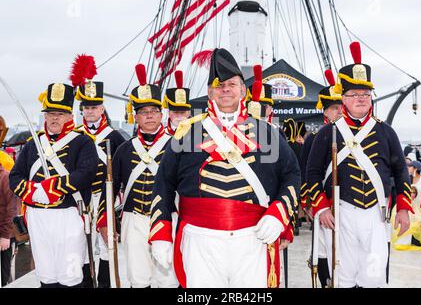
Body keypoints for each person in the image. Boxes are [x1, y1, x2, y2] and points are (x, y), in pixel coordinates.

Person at [149, 48, 300, 288]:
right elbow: (164, 184)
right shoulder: (186, 133)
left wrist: (279, 214)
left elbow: (292, 176)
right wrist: (161, 232)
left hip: (254, 238)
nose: (225, 89)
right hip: (200, 239)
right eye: (219, 85)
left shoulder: (268, 133)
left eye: (232, 84)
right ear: (209, 92)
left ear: (243, 90)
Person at [306, 42, 412, 288]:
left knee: (374, 277)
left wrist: (404, 207)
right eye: (354, 94)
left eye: (365, 94)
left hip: (377, 215)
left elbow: (400, 170)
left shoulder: (386, 132)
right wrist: (321, 208)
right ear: (343, 98)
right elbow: (312, 173)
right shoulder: (328, 133)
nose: (361, 99)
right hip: (341, 213)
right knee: (343, 277)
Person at [9, 82, 98, 287]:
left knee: (71, 275)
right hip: (38, 216)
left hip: (67, 215)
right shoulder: (34, 144)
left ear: (70, 116)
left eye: (60, 113)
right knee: (46, 275)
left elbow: (86, 173)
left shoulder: (83, 142)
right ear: (45, 116)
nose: (54, 118)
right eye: (50, 113)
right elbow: (15, 176)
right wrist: (32, 191)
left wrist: (53, 188)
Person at [97, 64, 178, 288]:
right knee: (138, 277)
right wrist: (105, 220)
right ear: (136, 116)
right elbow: (110, 187)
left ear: (161, 114)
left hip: (168, 218)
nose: (149, 116)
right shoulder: (124, 149)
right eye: (143, 112)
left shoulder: (176, 146)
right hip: (134, 220)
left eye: (153, 111)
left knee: (168, 279)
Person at [71, 54, 126, 288]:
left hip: (106, 199)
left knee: (106, 248)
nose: (91, 111)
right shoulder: (74, 136)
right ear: (82, 110)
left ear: (102, 107)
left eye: (94, 107)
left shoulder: (114, 136)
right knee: (81, 247)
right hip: (81, 200)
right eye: (87, 107)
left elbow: (123, 168)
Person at [300, 69, 342, 288]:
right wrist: (309, 203)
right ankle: (326, 281)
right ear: (325, 112)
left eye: (341, 107)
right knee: (323, 248)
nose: (340, 112)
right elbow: (309, 171)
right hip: (323, 201)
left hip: (347, 201)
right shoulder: (315, 138)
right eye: (335, 108)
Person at [391, 160, 421, 250]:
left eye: (410, 166)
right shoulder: (407, 178)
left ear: (416, 168)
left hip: (420, 207)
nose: (407, 168)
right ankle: (403, 241)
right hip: (408, 206)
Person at [1, 151, 19, 286]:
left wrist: (6, 236)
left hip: (3, 235)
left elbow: (12, 208)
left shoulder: (5, 177)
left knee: (2, 276)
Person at [162, 70, 192, 135]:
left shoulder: (199, 134)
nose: (179, 116)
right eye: (175, 112)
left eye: (183, 112)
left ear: (189, 113)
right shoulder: (161, 135)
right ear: (169, 113)